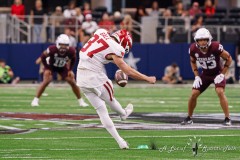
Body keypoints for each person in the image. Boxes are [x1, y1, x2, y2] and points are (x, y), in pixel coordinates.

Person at [76, 29, 156, 149]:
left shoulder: (101, 32)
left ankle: (120, 142)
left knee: (101, 110)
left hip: (81, 77)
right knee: (111, 100)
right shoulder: (116, 48)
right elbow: (128, 71)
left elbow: (100, 52)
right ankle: (123, 114)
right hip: (94, 76)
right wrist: (147, 78)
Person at [181, 27, 232, 126]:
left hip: (217, 73)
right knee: (193, 94)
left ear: (209, 40)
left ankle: (227, 118)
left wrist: (222, 74)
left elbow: (229, 59)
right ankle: (189, 118)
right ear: (197, 41)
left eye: (204, 39)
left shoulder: (216, 47)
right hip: (205, 74)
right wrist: (196, 76)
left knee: (220, 92)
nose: (203, 42)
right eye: (200, 40)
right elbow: (192, 61)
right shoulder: (193, 49)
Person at [31, 34, 88, 107]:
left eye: (65, 45)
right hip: (51, 65)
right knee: (47, 80)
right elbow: (43, 57)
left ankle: (81, 101)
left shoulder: (71, 50)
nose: (63, 47)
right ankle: (35, 100)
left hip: (62, 66)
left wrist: (70, 70)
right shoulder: (52, 49)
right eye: (61, 44)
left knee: (72, 81)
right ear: (57, 43)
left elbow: (73, 59)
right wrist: (47, 68)